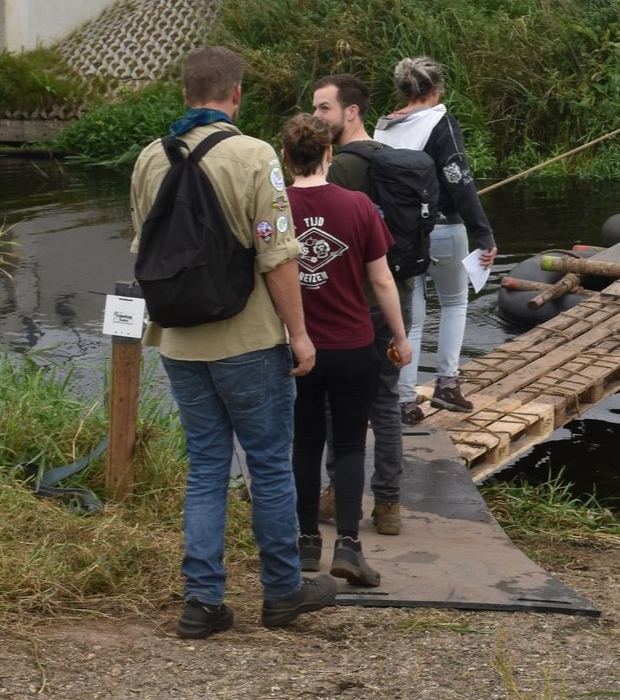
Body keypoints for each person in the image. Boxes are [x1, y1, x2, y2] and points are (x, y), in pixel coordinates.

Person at [129, 46, 338, 639]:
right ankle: (282, 591)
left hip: (178, 341)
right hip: (248, 340)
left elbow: (143, 248)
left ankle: (202, 602)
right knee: (268, 465)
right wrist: (300, 334)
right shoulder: (254, 155)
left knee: (205, 468)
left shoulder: (149, 158)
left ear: (185, 92)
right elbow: (277, 255)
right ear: (236, 94)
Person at [280, 114, 413, 587]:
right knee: (352, 445)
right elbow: (382, 279)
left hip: (297, 349)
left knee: (304, 443)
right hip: (354, 345)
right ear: (329, 154)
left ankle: (305, 542)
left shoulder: (275, 207)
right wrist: (400, 336)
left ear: (285, 158)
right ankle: (350, 547)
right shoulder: (358, 205)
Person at [313, 73, 412, 536]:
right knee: (386, 402)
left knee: (337, 404)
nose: (317, 116)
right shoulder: (391, 159)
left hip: (354, 304)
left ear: (351, 111)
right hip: (397, 296)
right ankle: (389, 505)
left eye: (325, 108)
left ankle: (338, 495)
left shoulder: (342, 170)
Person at [374, 57, 497, 423]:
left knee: (410, 319)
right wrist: (484, 234)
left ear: (403, 90)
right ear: (437, 89)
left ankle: (405, 401)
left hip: (399, 236)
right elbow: (459, 181)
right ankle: (447, 385)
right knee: (455, 303)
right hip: (443, 229)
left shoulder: (383, 128)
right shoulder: (440, 122)